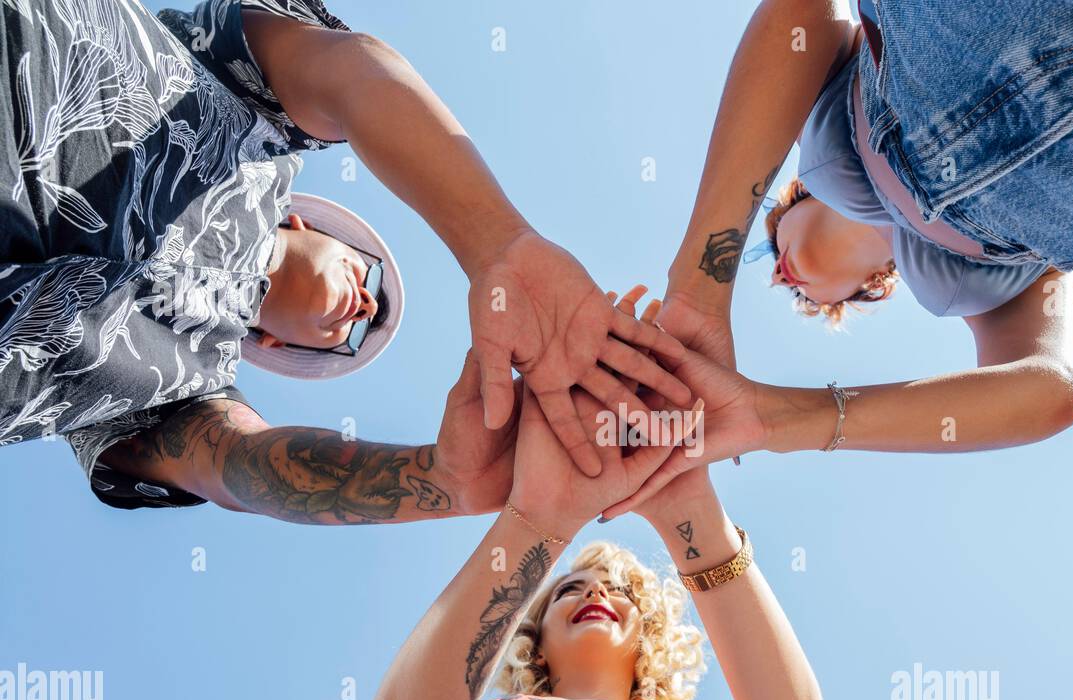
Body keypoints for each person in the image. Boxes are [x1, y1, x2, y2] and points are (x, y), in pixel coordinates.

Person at [602, 0, 1073, 517]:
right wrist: (777, 419)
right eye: (807, 299)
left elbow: (809, 11)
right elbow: (1053, 387)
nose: (784, 274)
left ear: (791, 199)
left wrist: (698, 285)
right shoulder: (987, 290)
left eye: (771, 249)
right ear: (873, 286)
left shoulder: (820, 123)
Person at [0, 0, 688, 519]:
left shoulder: (183, 393)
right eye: (372, 278)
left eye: (359, 332)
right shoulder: (262, 131)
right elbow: (351, 72)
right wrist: (499, 246)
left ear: (275, 344)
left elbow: (236, 466)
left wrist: (441, 482)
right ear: (306, 222)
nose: (366, 305)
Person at [364, 292, 826, 700]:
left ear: (651, 631)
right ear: (532, 634)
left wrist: (690, 506)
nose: (596, 591)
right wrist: (537, 519)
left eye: (620, 591)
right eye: (569, 587)